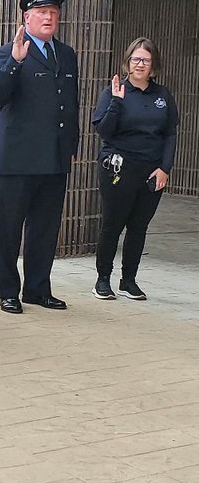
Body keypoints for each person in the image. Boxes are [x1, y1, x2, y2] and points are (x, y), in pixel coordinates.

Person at [0, 0, 79, 314]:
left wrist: (71, 146)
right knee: (10, 229)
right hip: (19, 159)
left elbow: (70, 104)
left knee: (45, 229)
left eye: (53, 13)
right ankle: (8, 291)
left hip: (54, 159)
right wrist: (14, 62)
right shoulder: (7, 52)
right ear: (27, 17)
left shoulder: (66, 54)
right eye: (42, 13)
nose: (49, 18)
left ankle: (38, 288)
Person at [90, 37, 178, 300]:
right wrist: (117, 103)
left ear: (154, 65)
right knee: (112, 225)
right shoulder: (114, 91)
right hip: (118, 169)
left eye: (146, 60)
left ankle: (129, 280)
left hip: (151, 172)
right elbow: (103, 130)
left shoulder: (163, 96)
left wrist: (165, 168)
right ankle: (102, 279)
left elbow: (170, 133)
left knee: (139, 227)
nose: (140, 64)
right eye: (136, 59)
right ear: (128, 62)